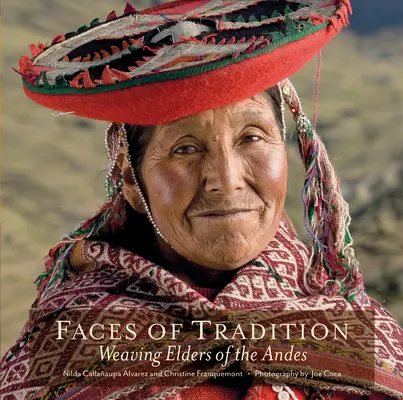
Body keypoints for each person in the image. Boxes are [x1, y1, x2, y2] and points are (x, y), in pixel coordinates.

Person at [1, 1, 402, 399]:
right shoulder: (65, 352)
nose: (225, 181)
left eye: (252, 137)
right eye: (185, 149)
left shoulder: (357, 334)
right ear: (130, 177)